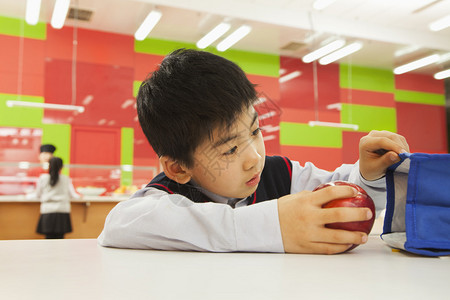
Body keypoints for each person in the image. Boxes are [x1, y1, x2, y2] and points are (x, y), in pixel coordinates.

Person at [98, 49, 410, 254]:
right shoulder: (165, 198)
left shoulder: (281, 175)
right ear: (179, 167)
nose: (254, 158)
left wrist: (367, 176)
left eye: (255, 131)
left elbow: (341, 192)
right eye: (230, 148)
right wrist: (274, 225)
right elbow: (121, 224)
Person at [33, 157, 79, 239]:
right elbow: (73, 195)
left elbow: (37, 195)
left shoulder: (43, 178)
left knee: (48, 238)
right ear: (61, 167)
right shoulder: (66, 179)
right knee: (60, 239)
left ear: (49, 166)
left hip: (47, 211)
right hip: (62, 211)